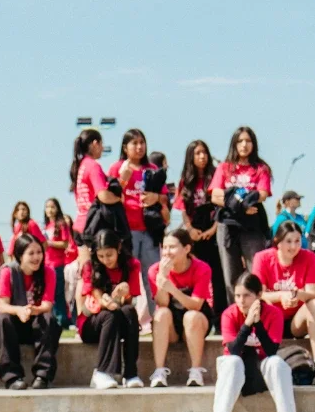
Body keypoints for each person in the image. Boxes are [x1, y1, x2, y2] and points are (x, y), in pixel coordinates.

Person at [212, 273, 297, 412]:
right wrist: (246, 324)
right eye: (237, 296)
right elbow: (234, 349)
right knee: (233, 361)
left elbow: (271, 350)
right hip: (234, 374)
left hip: (262, 370)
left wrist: (257, 324)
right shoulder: (229, 314)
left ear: (259, 295)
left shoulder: (273, 314)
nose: (241, 301)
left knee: (276, 363)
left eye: (246, 296)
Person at [250, 222, 315, 385]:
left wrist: (296, 294)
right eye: (288, 241)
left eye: (297, 241)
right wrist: (281, 296)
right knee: (258, 306)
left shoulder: (308, 257)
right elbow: (258, 294)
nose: (293, 246)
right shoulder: (263, 258)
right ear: (277, 241)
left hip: (295, 320)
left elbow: (312, 293)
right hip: (270, 319)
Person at [108, 128, 169, 314]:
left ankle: (158, 318)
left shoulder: (152, 169)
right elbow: (109, 197)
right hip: (126, 231)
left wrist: (156, 198)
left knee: (152, 276)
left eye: (142, 142)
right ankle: (125, 317)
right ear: (125, 147)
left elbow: (165, 199)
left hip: (150, 230)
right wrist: (123, 181)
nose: (139, 147)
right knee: (126, 276)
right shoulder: (117, 167)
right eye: (134, 143)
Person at [148, 227, 215, 387]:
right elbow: (162, 304)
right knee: (161, 314)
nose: (167, 252)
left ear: (187, 248)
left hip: (196, 322)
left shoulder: (202, 268)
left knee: (191, 316)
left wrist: (172, 289)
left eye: (172, 247)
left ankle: (196, 370)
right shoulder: (155, 270)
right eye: (164, 247)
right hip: (171, 324)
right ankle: (159, 371)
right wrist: (162, 278)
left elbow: (196, 305)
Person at [0, 233, 60, 390]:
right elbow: (3, 305)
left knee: (48, 319)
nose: (36, 257)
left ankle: (42, 376)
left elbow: (47, 305)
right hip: (15, 323)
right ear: (20, 256)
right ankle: (12, 377)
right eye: (31, 253)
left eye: (39, 252)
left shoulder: (48, 272)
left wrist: (31, 310)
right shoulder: (7, 271)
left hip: (36, 321)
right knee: (3, 319)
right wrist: (19, 310)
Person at [78, 228, 142, 389]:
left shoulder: (132, 265)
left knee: (129, 312)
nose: (105, 260)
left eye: (109, 255)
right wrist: (105, 301)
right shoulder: (90, 266)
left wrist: (125, 293)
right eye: (101, 256)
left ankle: (131, 373)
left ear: (119, 249)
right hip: (92, 322)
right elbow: (93, 295)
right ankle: (102, 372)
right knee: (110, 314)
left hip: (116, 318)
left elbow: (128, 301)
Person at [211, 126, 272, 288]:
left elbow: (262, 194)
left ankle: (258, 310)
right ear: (234, 144)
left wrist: (232, 198)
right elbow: (215, 196)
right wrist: (242, 206)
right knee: (231, 275)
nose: (244, 145)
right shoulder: (224, 167)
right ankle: (235, 311)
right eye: (240, 141)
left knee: (256, 272)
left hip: (252, 226)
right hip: (228, 225)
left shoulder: (260, 169)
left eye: (248, 141)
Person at [175, 139, 225, 322]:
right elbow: (183, 209)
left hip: (214, 231)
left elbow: (222, 207)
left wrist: (214, 228)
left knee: (218, 276)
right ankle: (202, 315)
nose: (202, 157)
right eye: (197, 153)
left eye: (204, 152)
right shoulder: (185, 182)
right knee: (197, 276)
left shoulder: (215, 177)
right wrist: (190, 229)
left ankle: (220, 318)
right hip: (194, 234)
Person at [70, 129, 120, 264]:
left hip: (80, 224)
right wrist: (119, 199)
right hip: (93, 224)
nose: (102, 148)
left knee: (85, 273)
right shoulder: (93, 166)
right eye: (101, 144)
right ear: (94, 143)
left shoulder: (80, 165)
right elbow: (103, 195)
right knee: (96, 272)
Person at [42, 197, 77, 328]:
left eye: (52, 207)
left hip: (58, 264)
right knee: (50, 293)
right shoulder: (46, 226)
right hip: (46, 264)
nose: (49, 210)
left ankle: (61, 319)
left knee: (59, 292)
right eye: (47, 207)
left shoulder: (61, 224)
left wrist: (48, 243)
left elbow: (65, 243)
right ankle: (54, 318)